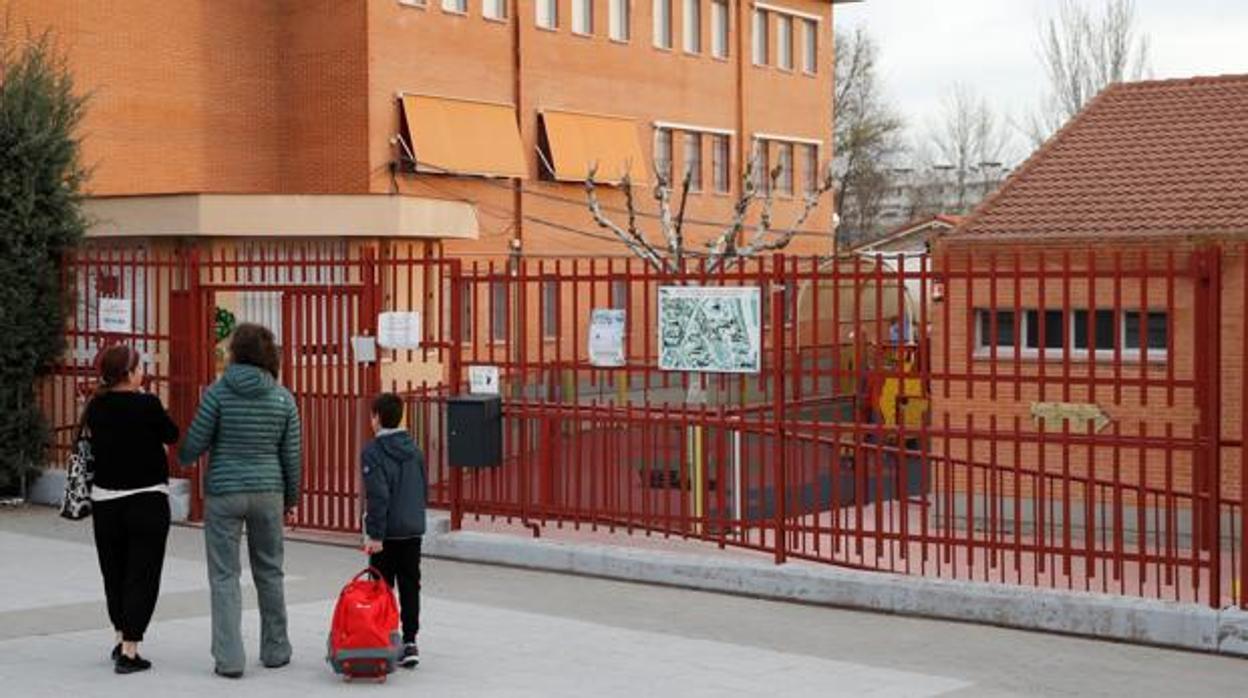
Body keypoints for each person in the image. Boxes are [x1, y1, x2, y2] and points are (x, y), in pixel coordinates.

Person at [179, 324, 302, 679]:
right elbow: (292, 456)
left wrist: (184, 455)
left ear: (235, 352)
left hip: (224, 493)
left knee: (224, 576)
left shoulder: (217, 394)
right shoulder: (283, 398)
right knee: (270, 571)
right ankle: (276, 649)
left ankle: (230, 659)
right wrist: (289, 499)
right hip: (268, 493)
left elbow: (193, 445)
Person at [85, 344, 180, 674]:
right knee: (142, 572)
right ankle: (130, 650)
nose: (144, 372)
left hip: (105, 501)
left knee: (114, 571)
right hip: (146, 499)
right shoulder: (148, 404)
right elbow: (173, 434)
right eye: (140, 367)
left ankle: (119, 634)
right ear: (128, 373)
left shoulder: (95, 406)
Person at [361, 393, 427, 669]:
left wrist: (374, 535)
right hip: (412, 530)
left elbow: (377, 496)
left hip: (386, 533)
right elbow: (423, 487)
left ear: (376, 417)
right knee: (410, 585)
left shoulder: (372, 452)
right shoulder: (415, 449)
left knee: (381, 588)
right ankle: (410, 641)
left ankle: (383, 637)